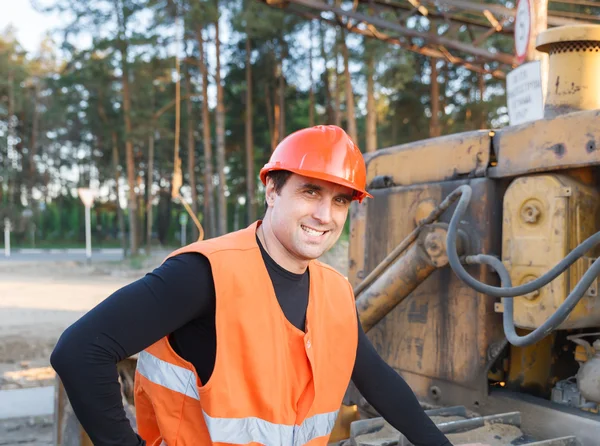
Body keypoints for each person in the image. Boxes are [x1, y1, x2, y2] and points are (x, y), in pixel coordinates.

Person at [51, 125, 484, 446]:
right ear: (271, 191)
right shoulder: (204, 274)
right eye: (310, 192)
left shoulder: (333, 291)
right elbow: (79, 351)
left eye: (339, 201)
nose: (325, 215)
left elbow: (377, 380)